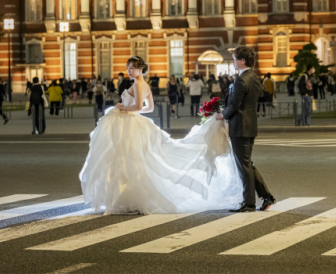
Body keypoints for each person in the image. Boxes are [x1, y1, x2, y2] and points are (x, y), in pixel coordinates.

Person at [80, 56, 243, 214]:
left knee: (125, 159)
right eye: (128, 68)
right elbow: (148, 108)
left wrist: (122, 108)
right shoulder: (143, 84)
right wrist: (130, 110)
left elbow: (137, 105)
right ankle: (125, 197)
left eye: (132, 68)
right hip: (133, 122)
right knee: (132, 160)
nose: (129, 71)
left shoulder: (138, 84)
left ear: (140, 69)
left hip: (128, 123)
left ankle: (121, 198)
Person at [219, 46, 275, 212]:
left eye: (235, 59)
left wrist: (222, 115)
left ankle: (249, 203)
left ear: (242, 61)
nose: (234, 62)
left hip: (240, 127)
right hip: (250, 125)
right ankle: (266, 196)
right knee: (247, 164)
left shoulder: (242, 80)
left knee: (244, 166)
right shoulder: (254, 77)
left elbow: (235, 104)